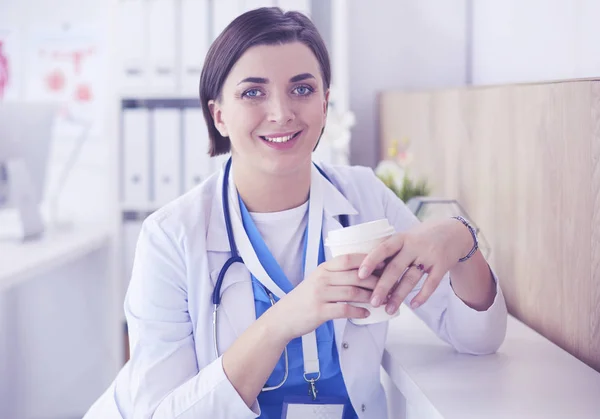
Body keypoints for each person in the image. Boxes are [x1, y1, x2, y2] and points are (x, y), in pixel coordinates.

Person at [84, 7, 507, 419]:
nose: (281, 112)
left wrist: (458, 239)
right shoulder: (171, 236)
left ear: (325, 103)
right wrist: (283, 320)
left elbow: (478, 338)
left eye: (302, 89)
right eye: (253, 92)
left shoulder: (364, 197)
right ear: (219, 116)